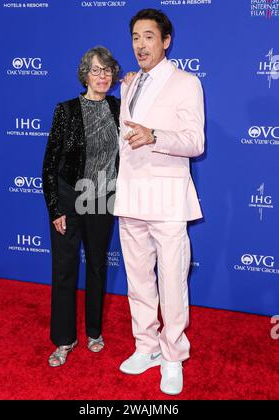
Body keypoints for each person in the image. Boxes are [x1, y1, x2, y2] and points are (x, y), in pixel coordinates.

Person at [114, 9, 205, 395]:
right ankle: (146, 347)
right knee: (138, 284)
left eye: (149, 37)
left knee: (171, 283)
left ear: (165, 41)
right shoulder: (130, 84)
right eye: (136, 37)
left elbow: (195, 142)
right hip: (131, 196)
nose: (140, 45)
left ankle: (172, 356)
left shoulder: (187, 83)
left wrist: (155, 135)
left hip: (167, 200)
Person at [42, 46, 120, 366]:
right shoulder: (66, 110)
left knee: (98, 266)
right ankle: (64, 339)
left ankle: (94, 332)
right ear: (84, 74)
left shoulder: (120, 107)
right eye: (95, 70)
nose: (102, 76)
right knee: (64, 270)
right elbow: (49, 164)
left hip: (103, 198)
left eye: (107, 70)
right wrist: (55, 208)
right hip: (71, 198)